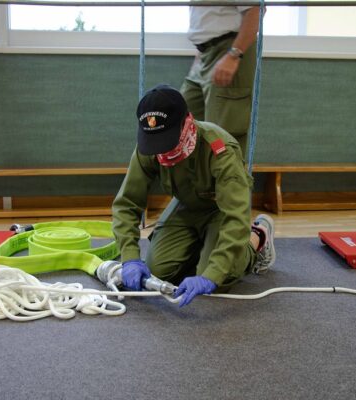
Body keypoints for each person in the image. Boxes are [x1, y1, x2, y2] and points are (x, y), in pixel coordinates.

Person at [112, 84, 276, 307]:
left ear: (186, 122)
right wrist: (130, 257)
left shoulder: (220, 150)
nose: (162, 150)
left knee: (221, 278)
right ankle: (204, 248)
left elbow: (236, 218)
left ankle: (257, 237)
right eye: (156, 142)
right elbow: (126, 203)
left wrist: (212, 274)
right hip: (186, 206)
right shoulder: (150, 144)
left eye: (166, 140)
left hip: (220, 210)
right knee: (158, 271)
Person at [180, 3, 261, 158]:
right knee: (184, 122)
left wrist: (234, 55)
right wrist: (201, 53)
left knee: (221, 136)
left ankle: (227, 174)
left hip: (229, 48)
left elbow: (255, 10)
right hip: (205, 53)